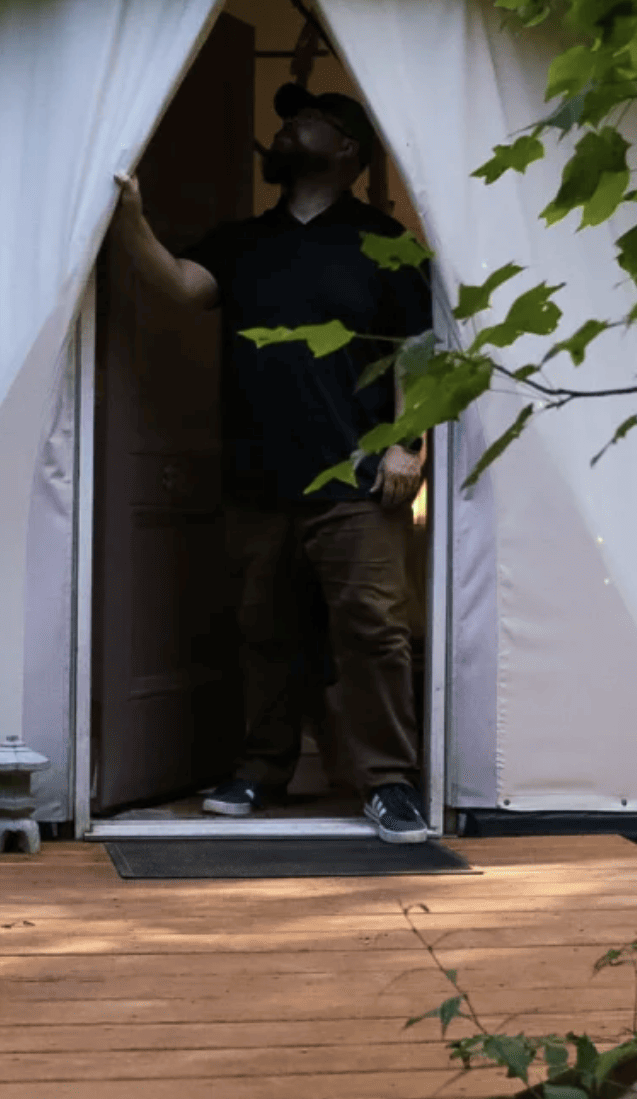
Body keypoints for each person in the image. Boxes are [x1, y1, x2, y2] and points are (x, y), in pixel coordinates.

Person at [107, 83, 434, 844]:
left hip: (356, 481)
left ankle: (389, 782)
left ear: (348, 149)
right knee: (264, 630)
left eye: (307, 120)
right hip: (256, 480)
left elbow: (418, 352)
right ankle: (263, 769)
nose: (287, 128)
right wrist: (131, 223)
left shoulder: (386, 245)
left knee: (373, 630)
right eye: (287, 117)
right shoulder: (243, 242)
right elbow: (186, 288)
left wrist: (407, 439)